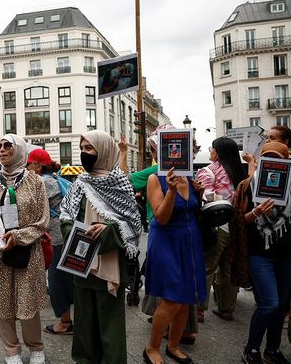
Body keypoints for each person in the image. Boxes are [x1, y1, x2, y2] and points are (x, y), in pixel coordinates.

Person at [60, 130, 142, 364]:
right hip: (80, 263)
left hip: (109, 266)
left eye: (89, 148)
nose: (84, 153)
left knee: (110, 329)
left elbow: (133, 225)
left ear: (103, 151)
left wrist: (107, 232)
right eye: (82, 148)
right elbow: (66, 216)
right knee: (84, 328)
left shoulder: (120, 183)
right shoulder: (79, 184)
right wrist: (74, 233)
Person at [0, 134, 48, 364]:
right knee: (2, 304)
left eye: (7, 146)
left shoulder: (36, 183)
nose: (1, 150)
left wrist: (18, 236)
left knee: (28, 301)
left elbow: (43, 221)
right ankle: (11, 351)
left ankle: (36, 347)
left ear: (20, 150)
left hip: (27, 251)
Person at [229, 141, 291, 364]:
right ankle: (251, 349)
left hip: (286, 255)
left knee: (282, 305)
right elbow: (236, 222)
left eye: (278, 158)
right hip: (259, 254)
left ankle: (272, 350)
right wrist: (254, 213)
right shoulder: (247, 185)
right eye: (268, 157)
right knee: (269, 303)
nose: (273, 161)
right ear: (261, 159)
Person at [143, 162, 207, 364]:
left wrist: (200, 193)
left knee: (187, 299)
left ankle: (173, 346)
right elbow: (161, 216)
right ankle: (152, 348)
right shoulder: (155, 179)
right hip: (166, 241)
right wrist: (170, 190)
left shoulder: (191, 178)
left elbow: (192, 210)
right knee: (172, 300)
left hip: (189, 240)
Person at [195, 137, 247, 323]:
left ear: (217, 152)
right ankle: (227, 308)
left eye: (212, 148)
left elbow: (204, 198)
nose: (210, 151)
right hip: (236, 227)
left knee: (207, 268)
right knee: (227, 269)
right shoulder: (239, 172)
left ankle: (199, 309)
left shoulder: (209, 171)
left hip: (216, 226)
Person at [25, 149, 73, 335]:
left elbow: (31, 209)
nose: (27, 168)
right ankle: (67, 319)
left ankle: (65, 322)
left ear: (37, 165)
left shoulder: (43, 182)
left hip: (55, 239)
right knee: (64, 279)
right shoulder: (54, 179)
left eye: (28, 164)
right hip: (62, 236)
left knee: (56, 282)